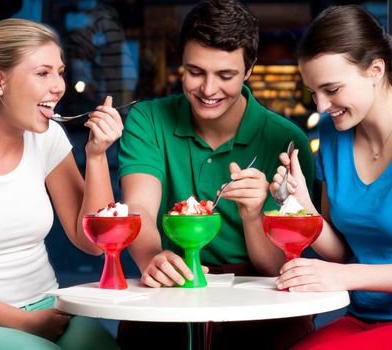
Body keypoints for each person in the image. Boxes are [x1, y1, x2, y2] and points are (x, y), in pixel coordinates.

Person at [116, 0, 315, 349]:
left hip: (261, 293)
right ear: (181, 63)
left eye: (225, 76)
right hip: (172, 284)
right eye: (195, 72)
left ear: (249, 69)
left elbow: (278, 267)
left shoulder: (286, 140)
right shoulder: (147, 120)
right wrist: (153, 260)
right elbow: (139, 208)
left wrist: (253, 216)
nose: (208, 90)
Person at [268, 5, 392, 349]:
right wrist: (301, 207)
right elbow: (341, 253)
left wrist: (346, 277)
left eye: (332, 89)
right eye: (313, 92)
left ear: (376, 70)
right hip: (365, 317)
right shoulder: (333, 133)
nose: (320, 106)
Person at [0, 18, 124, 350]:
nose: (59, 86)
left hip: (46, 307)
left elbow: (94, 243)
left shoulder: (47, 137)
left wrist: (96, 156)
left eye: (60, 72)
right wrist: (24, 323)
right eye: (43, 73)